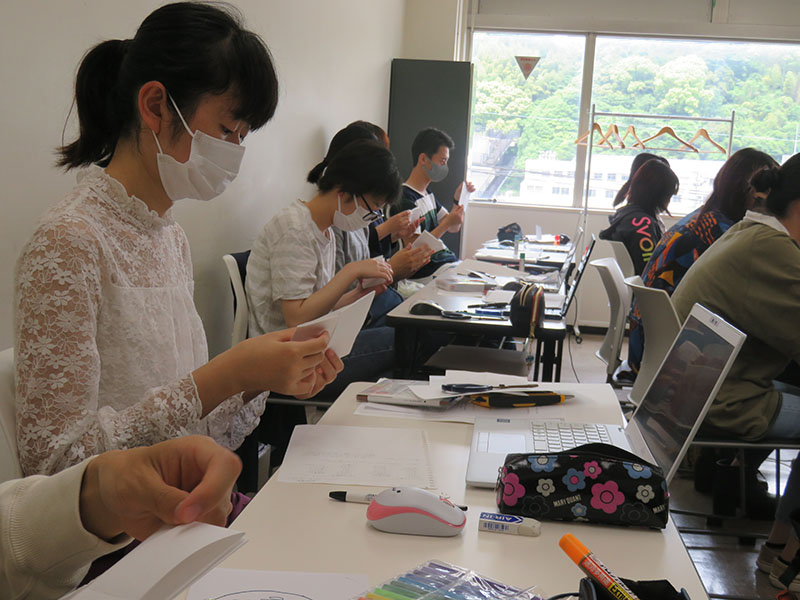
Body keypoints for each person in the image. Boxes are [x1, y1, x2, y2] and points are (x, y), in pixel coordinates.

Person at [13, 2, 343, 478]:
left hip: (187, 505)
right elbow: (54, 469)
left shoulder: (170, 237)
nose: (234, 153)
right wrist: (224, 375)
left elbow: (196, 434)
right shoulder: (68, 242)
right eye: (227, 130)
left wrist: (258, 378)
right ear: (155, 106)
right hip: (128, 525)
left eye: (242, 136)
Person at [672, 154, 800, 523]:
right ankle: (784, 545)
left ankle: (776, 539)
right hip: (720, 400)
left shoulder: (748, 232)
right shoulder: (772, 249)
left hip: (695, 389)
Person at [246, 138, 400, 399]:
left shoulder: (323, 229)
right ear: (344, 191)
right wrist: (350, 271)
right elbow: (296, 318)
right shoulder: (295, 229)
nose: (370, 220)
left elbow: (318, 307)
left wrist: (359, 294)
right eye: (372, 209)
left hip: (312, 346)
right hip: (288, 361)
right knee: (404, 339)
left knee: (401, 327)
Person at [1, 435, 242, 600]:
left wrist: (96, 499)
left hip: (136, 521)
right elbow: (53, 452)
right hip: (114, 556)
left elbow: (11, 547)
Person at [627, 148, 777, 372]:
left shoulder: (704, 218)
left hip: (647, 346)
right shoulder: (724, 233)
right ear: (752, 192)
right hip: (668, 355)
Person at [390, 127, 475, 279]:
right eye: (442, 161)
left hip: (447, 264)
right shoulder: (406, 199)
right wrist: (446, 224)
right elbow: (415, 249)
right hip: (429, 272)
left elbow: (454, 226)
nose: (444, 167)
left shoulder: (427, 194)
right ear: (423, 159)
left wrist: (458, 200)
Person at [599, 154, 678, 276]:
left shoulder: (629, 215)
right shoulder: (643, 224)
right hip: (648, 285)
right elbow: (649, 272)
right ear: (658, 195)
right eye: (669, 196)